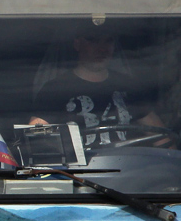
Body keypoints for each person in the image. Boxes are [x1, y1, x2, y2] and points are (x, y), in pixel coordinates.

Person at [29, 21, 163, 146]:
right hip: (77, 171)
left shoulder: (129, 87)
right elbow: (36, 139)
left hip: (126, 168)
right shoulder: (56, 89)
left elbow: (161, 136)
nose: (102, 49)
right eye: (93, 41)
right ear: (77, 44)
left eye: (108, 41)